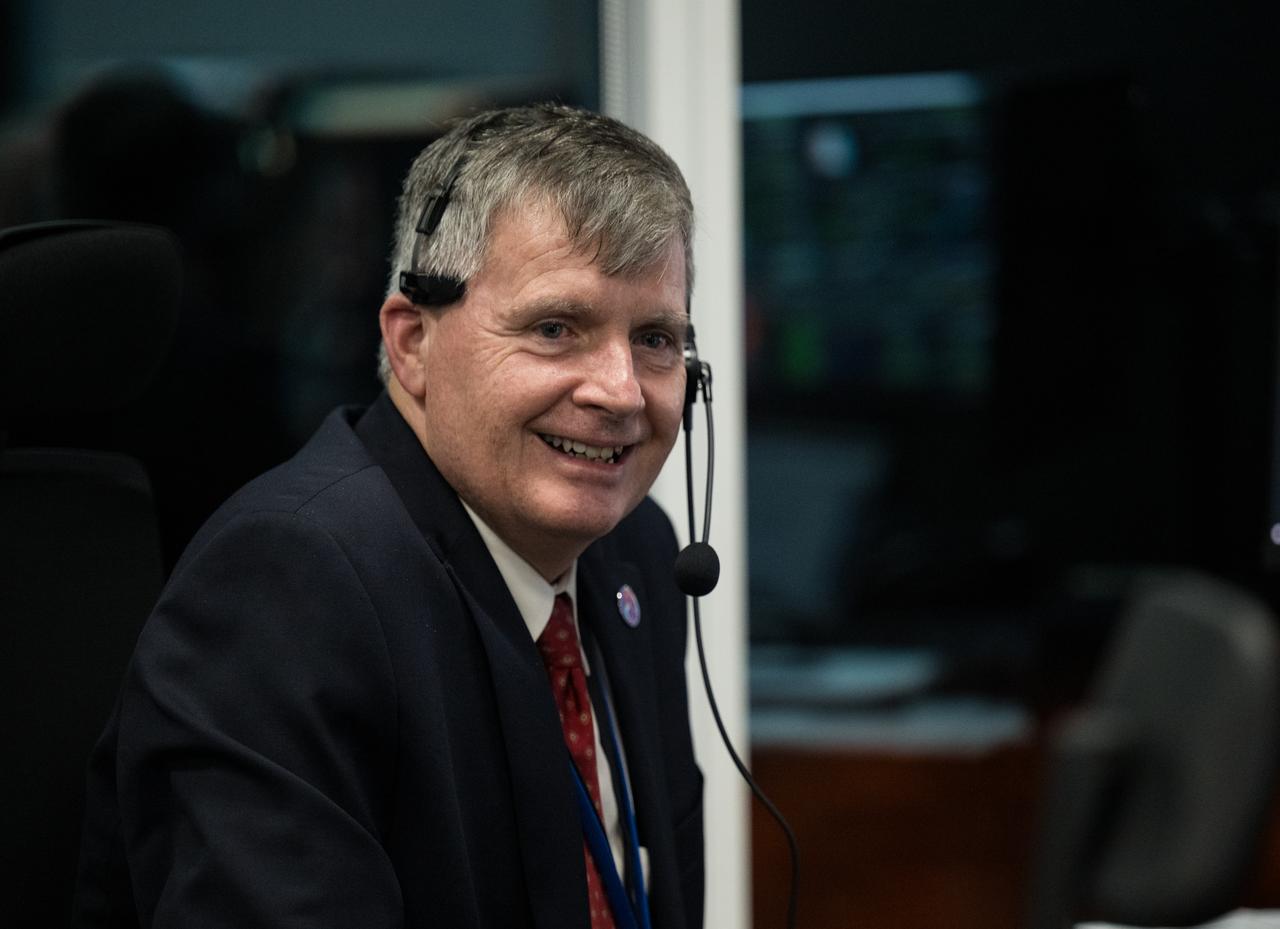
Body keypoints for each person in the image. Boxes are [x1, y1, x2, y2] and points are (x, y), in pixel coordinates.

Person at [73, 103, 704, 929]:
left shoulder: (637, 553)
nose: (620, 391)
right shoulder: (288, 583)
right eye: (556, 328)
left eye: (655, 339)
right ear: (411, 343)